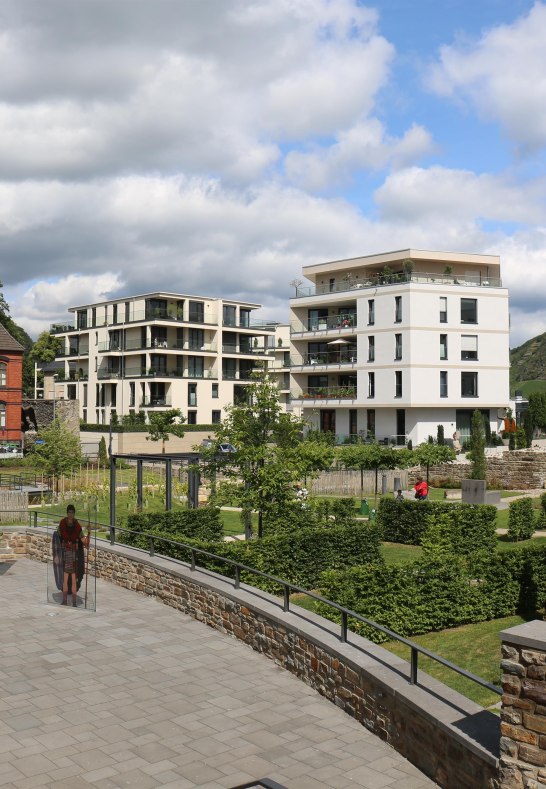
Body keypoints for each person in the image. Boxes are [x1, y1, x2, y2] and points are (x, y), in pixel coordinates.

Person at [56, 505, 90, 607]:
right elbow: (57, 539)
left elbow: (85, 542)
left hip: (74, 555)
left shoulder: (77, 525)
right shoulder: (62, 523)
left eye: (72, 512)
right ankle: (65, 600)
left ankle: (74, 602)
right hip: (65, 554)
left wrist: (89, 532)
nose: (71, 514)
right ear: (67, 513)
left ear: (74, 513)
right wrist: (57, 554)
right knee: (65, 579)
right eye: (69, 512)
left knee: (74, 579)